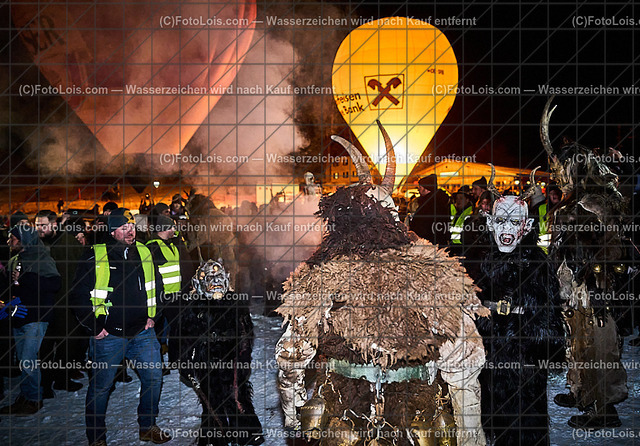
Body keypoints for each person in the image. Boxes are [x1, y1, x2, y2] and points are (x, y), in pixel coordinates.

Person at [70, 208, 170, 446]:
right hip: (109, 337)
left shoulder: (144, 251)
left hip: (142, 333)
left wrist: (154, 316)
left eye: (132, 226)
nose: (130, 231)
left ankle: (147, 426)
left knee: (154, 378)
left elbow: (158, 287)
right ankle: (96, 438)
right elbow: (78, 295)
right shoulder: (95, 254)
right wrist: (94, 327)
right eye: (124, 227)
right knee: (100, 388)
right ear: (112, 230)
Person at [0, 224, 61, 415]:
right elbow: (15, 287)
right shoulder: (16, 259)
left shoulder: (42, 258)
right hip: (18, 315)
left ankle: (34, 399)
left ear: (24, 240)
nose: (9, 242)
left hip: (36, 316)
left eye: (13, 238)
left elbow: (55, 284)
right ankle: (26, 397)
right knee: (22, 361)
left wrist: (26, 278)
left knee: (28, 360)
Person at [35, 211, 85, 396]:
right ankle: (45, 384)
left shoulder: (69, 243)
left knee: (67, 343)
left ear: (54, 225)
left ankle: (62, 379)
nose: (39, 229)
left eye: (43, 225)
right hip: (44, 304)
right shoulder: (36, 245)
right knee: (45, 346)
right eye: (37, 225)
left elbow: (82, 269)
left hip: (66, 303)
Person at [407, 174, 451, 246]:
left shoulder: (430, 204)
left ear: (426, 188)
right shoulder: (435, 202)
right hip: (434, 242)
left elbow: (425, 225)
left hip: (429, 243)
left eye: (420, 187)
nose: (418, 189)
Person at [449, 186, 474, 255]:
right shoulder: (457, 213)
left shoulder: (470, 213)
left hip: (463, 249)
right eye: (457, 198)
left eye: (461, 198)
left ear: (467, 200)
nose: (458, 200)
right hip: (455, 247)